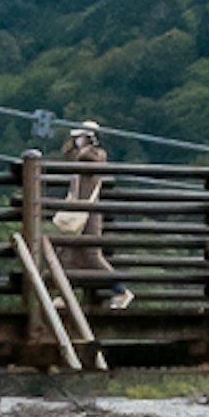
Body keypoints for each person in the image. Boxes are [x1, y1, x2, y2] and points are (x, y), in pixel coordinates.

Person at [53, 117, 131, 314]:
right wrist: (74, 147)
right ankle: (64, 295)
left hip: (89, 216)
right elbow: (70, 157)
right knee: (66, 254)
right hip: (79, 212)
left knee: (91, 255)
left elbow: (89, 160)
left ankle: (120, 290)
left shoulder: (96, 154)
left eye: (80, 138)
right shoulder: (80, 155)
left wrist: (86, 146)